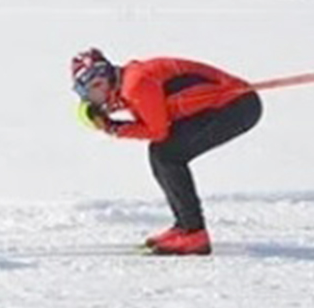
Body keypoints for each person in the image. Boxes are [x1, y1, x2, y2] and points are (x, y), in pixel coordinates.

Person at [71, 47, 263, 256]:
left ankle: (193, 233)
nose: (91, 98)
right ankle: (184, 226)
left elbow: (157, 131)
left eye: (92, 89)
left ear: (103, 78)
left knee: (167, 154)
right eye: (85, 93)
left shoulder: (136, 84)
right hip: (224, 105)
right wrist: (107, 120)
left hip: (237, 105)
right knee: (162, 153)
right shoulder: (128, 83)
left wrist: (114, 128)